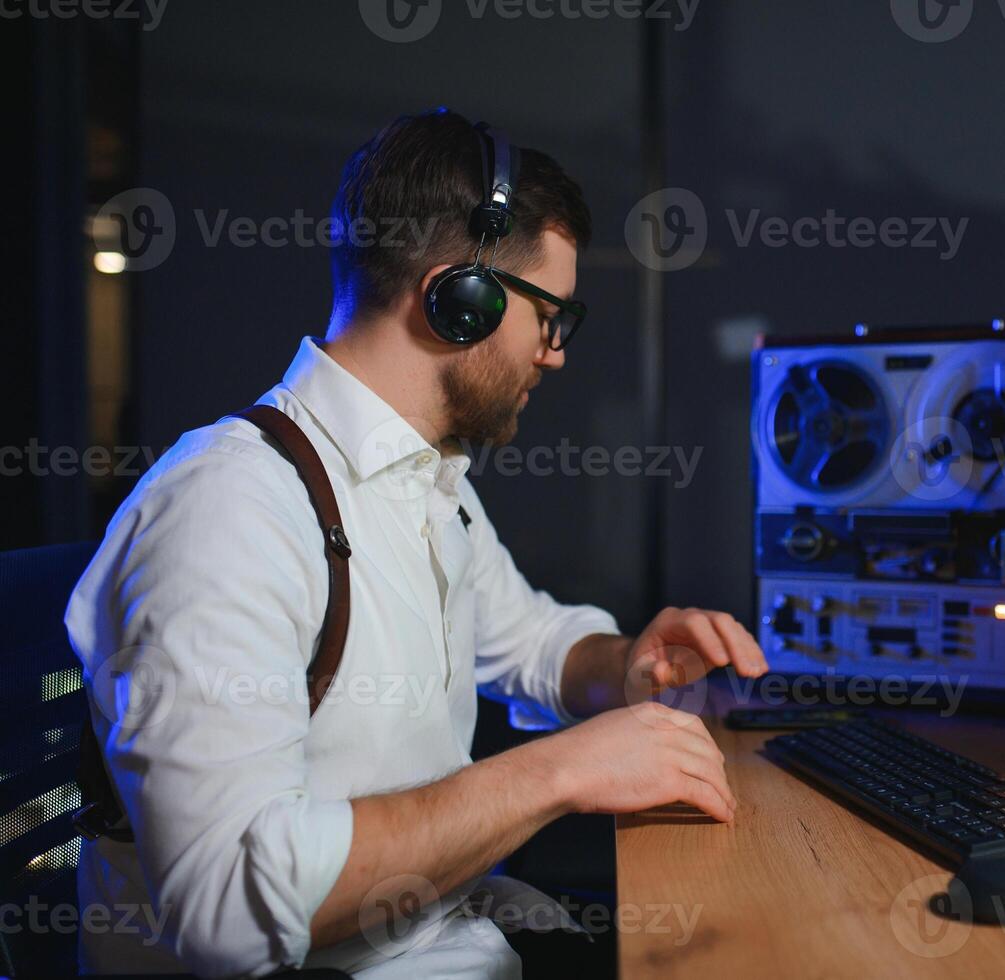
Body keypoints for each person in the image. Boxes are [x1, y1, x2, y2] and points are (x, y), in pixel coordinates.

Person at [65, 107, 767, 978]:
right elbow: (224, 907)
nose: (554, 355)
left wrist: (623, 663)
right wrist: (553, 775)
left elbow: (531, 641)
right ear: (458, 300)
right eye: (551, 315)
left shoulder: (426, 484)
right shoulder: (232, 508)